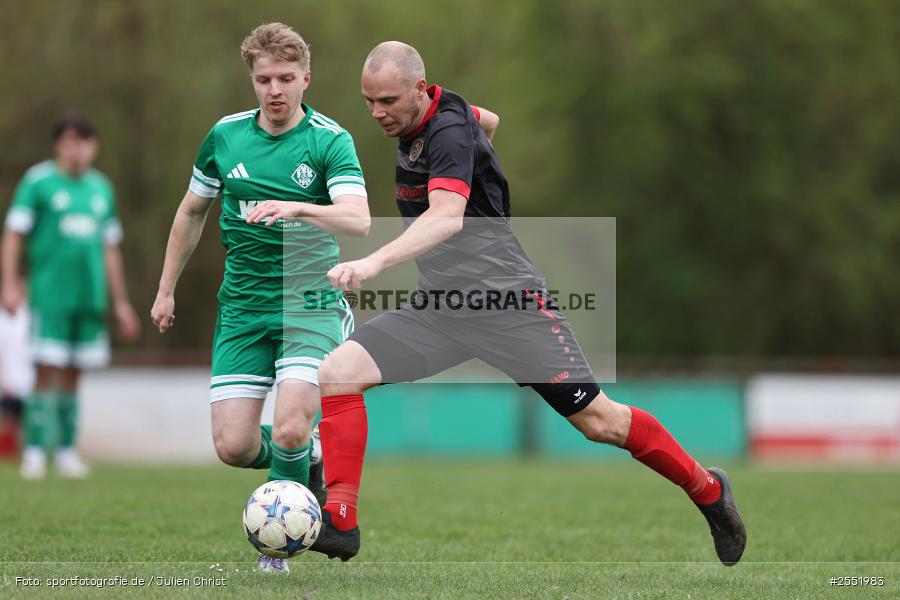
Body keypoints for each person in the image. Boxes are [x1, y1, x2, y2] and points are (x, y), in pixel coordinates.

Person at [308, 41, 747, 566]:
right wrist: (481, 156)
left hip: (508, 305)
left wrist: (372, 263)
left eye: (388, 100)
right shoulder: (445, 116)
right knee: (337, 373)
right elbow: (488, 120)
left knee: (600, 422)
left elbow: (447, 216)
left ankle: (708, 490)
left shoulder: (445, 132)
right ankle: (341, 519)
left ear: (420, 90)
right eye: (369, 101)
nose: (377, 112)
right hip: (441, 308)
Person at [149, 22, 372, 574]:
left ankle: (277, 547)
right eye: (264, 79)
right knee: (234, 446)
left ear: (306, 79)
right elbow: (191, 212)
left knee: (293, 422)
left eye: (286, 78)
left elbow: (358, 218)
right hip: (243, 306)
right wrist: (165, 288)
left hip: (310, 302)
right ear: (252, 79)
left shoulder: (328, 139)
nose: (275, 90)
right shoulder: (225, 137)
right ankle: (308, 456)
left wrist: (300, 208)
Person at [1, 113, 141, 479]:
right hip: (50, 296)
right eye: (68, 142)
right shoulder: (39, 183)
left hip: (89, 299)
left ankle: (65, 450)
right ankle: (33, 450)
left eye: (82, 142)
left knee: (75, 374)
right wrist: (10, 283)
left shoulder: (101, 189)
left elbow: (111, 249)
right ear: (58, 146)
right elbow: (14, 234)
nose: (75, 150)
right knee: (44, 370)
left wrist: (121, 302)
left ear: (93, 147)